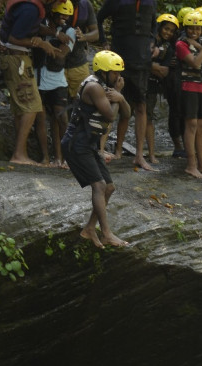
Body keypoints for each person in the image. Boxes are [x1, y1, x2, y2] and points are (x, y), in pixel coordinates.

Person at [61, 50, 131, 248]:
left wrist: (121, 97)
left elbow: (127, 113)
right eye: (114, 73)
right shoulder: (94, 87)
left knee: (109, 187)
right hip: (76, 143)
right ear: (103, 71)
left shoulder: (109, 88)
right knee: (99, 186)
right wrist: (117, 99)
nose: (118, 77)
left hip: (89, 144)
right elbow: (110, 116)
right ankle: (106, 233)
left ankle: (90, 229)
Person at [0, 0, 61, 165]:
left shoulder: (32, 8)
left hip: (17, 58)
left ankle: (21, 153)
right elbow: (14, 37)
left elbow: (27, 28)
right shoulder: (30, 9)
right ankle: (18, 154)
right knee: (32, 106)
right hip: (17, 60)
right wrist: (41, 43)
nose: (59, 3)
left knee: (22, 107)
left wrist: (50, 33)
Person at [97, 0, 157, 171]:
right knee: (112, 101)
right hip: (119, 61)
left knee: (141, 106)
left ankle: (139, 155)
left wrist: (154, 42)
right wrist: (104, 42)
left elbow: (154, 25)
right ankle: (100, 149)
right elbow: (99, 18)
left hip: (142, 61)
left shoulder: (151, 2)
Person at [34, 0, 77, 167]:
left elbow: (61, 55)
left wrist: (44, 44)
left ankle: (67, 158)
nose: (64, 19)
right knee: (40, 119)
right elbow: (35, 30)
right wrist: (55, 37)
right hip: (38, 78)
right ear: (53, 13)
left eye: (67, 16)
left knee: (62, 120)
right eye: (61, 16)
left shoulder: (70, 31)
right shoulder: (41, 24)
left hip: (57, 81)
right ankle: (46, 158)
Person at [176, 11, 202, 178]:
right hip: (189, 87)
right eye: (190, 28)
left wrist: (201, 46)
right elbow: (196, 63)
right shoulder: (181, 44)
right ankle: (191, 165)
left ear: (201, 29)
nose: (194, 32)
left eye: (197, 28)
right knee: (191, 124)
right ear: (185, 28)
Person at [146, 13, 178, 164]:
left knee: (148, 118)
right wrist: (152, 66)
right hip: (136, 81)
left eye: (171, 31)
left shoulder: (169, 48)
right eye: (166, 29)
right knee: (123, 115)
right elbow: (137, 58)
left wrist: (147, 65)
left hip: (152, 84)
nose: (168, 33)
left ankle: (151, 154)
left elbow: (164, 71)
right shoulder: (147, 40)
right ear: (159, 27)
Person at [64, 0, 99, 101]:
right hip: (55, 64)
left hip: (78, 62)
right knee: (57, 103)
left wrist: (84, 36)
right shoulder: (54, 3)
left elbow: (96, 33)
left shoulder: (85, 5)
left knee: (82, 99)